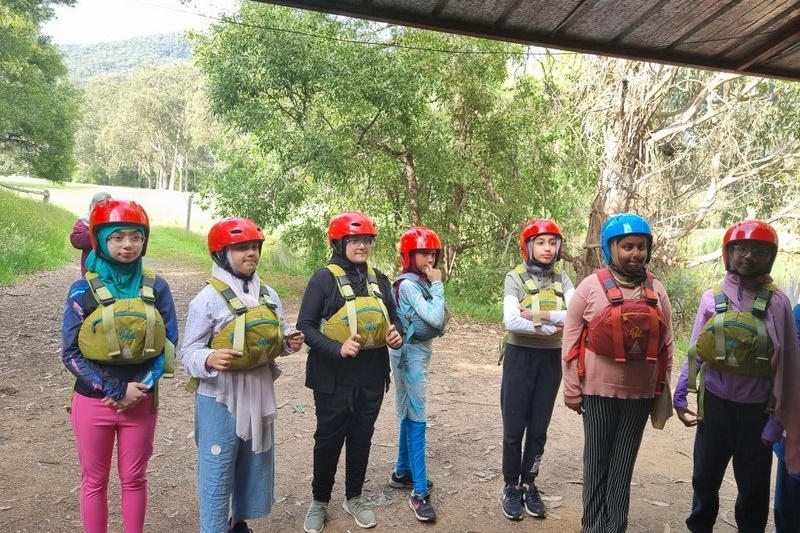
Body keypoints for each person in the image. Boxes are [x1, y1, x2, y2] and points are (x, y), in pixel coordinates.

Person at [179, 217, 305, 533]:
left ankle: (239, 522)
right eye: (241, 248)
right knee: (218, 465)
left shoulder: (268, 295)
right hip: (219, 396)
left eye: (255, 247)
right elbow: (187, 352)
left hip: (258, 391)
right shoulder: (206, 299)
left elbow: (277, 337)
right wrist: (210, 357)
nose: (251, 253)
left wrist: (289, 343)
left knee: (252, 461)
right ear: (222, 254)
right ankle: (214, 527)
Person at [673, 220, 800, 533]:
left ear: (769, 256)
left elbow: (788, 367)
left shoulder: (779, 303)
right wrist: (681, 393)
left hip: (757, 412)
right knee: (704, 477)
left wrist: (778, 421)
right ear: (728, 253)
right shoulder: (711, 298)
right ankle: (699, 526)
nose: (748, 256)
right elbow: (695, 350)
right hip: (714, 405)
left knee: (753, 486)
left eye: (758, 250)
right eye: (740, 248)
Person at [61, 199, 178, 533]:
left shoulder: (157, 286)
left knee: (134, 479)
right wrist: (115, 390)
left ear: (144, 240)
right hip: (93, 400)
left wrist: (139, 388)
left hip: (140, 399)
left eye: (136, 237)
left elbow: (169, 344)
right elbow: (69, 352)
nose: (128, 244)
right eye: (118, 237)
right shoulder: (82, 289)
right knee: (94, 481)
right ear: (101, 240)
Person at [562, 213, 674, 533]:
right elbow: (570, 342)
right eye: (627, 246)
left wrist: (660, 389)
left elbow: (666, 344)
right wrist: (572, 388)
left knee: (622, 466)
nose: (635, 253)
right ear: (611, 249)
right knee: (596, 463)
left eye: (641, 246)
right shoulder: (589, 287)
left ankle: (615, 527)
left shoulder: (657, 290)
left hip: (639, 394)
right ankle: (594, 526)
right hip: (597, 391)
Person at [298, 211, 403, 533]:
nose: (362, 246)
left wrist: (396, 335)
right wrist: (336, 348)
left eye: (367, 240)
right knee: (328, 439)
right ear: (339, 242)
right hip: (332, 378)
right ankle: (319, 501)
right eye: (355, 240)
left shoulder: (380, 280)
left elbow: (394, 321)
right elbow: (305, 326)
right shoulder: (323, 279)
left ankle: (354, 497)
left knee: (361, 438)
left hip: (371, 376)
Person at [500, 219, 574, 521]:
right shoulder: (514, 277)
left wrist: (537, 315)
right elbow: (511, 322)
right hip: (519, 358)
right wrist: (553, 326)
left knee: (539, 427)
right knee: (514, 427)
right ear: (528, 246)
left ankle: (529, 482)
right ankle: (510, 485)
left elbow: (578, 316)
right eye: (541, 242)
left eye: (552, 242)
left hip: (550, 362)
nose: (548, 248)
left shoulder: (564, 279)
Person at [387, 226, 448, 522]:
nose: (429, 259)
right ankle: (419, 491)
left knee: (408, 411)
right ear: (408, 256)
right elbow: (435, 317)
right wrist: (438, 285)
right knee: (417, 416)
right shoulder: (410, 284)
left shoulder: (420, 281)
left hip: (416, 355)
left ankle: (402, 472)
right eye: (423, 253)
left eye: (432, 253)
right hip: (407, 357)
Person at [70, 191, 112, 275]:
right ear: (92, 207)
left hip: (112, 269)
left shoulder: (115, 220)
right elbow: (76, 241)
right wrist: (94, 233)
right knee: (89, 286)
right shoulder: (85, 221)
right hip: (90, 270)